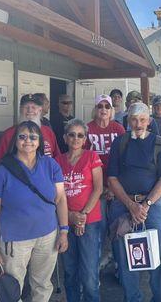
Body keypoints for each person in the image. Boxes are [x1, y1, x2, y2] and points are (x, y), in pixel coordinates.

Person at [0, 120, 69, 302]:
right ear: (15, 141)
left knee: (42, 284)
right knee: (12, 288)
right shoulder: (2, 170)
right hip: (15, 240)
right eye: (22, 136)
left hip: (48, 235)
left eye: (33, 137)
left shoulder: (50, 165)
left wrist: (64, 231)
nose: (28, 141)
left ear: (40, 141)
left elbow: (61, 199)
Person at [107, 102, 161, 301]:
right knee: (126, 255)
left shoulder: (159, 142)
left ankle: (160, 297)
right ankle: (132, 298)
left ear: (149, 121)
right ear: (128, 121)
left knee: (159, 250)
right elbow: (112, 178)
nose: (138, 124)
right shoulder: (120, 143)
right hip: (124, 204)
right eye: (134, 119)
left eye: (142, 119)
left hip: (151, 205)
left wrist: (145, 205)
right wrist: (130, 205)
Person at [56, 119, 103, 302]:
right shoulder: (57, 161)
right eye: (72, 134)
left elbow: (98, 188)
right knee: (70, 270)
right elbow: (56, 195)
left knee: (90, 273)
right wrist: (69, 216)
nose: (76, 138)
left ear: (85, 139)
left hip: (89, 221)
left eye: (80, 135)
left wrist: (82, 216)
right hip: (65, 221)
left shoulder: (91, 157)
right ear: (65, 138)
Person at [85, 94, 125, 264]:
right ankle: (100, 258)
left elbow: (125, 159)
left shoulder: (118, 129)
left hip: (116, 184)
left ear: (112, 110)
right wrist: (101, 187)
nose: (103, 110)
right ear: (95, 110)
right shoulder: (87, 129)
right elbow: (83, 159)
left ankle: (118, 260)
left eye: (107, 107)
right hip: (95, 186)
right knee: (99, 225)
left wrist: (113, 186)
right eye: (100, 106)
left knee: (117, 223)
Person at [0, 93, 59, 163]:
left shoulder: (48, 132)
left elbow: (57, 158)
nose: (30, 110)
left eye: (34, 107)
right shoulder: (9, 134)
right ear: (20, 109)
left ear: (40, 110)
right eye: (26, 107)